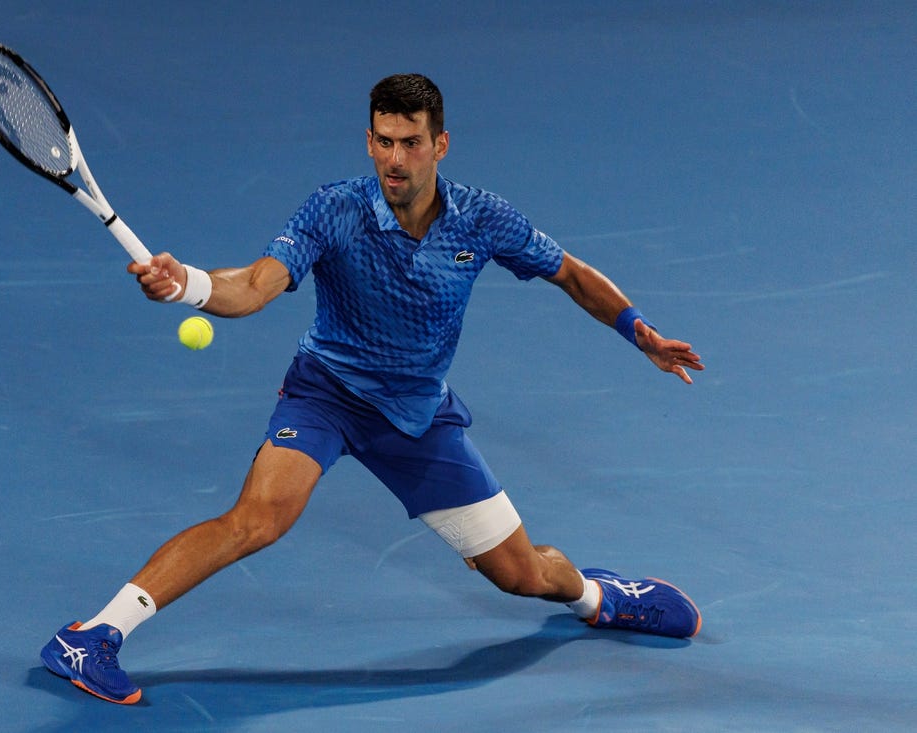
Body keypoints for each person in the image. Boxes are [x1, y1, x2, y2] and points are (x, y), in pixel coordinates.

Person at [40, 74, 705, 705]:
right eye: (383, 141)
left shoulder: (483, 219)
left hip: (417, 415)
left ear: (439, 145)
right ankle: (92, 636)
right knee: (258, 518)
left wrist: (637, 330)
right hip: (326, 394)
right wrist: (186, 281)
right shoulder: (335, 210)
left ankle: (596, 596)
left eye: (411, 142)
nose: (396, 158)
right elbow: (256, 284)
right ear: (369, 142)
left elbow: (570, 273)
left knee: (521, 574)